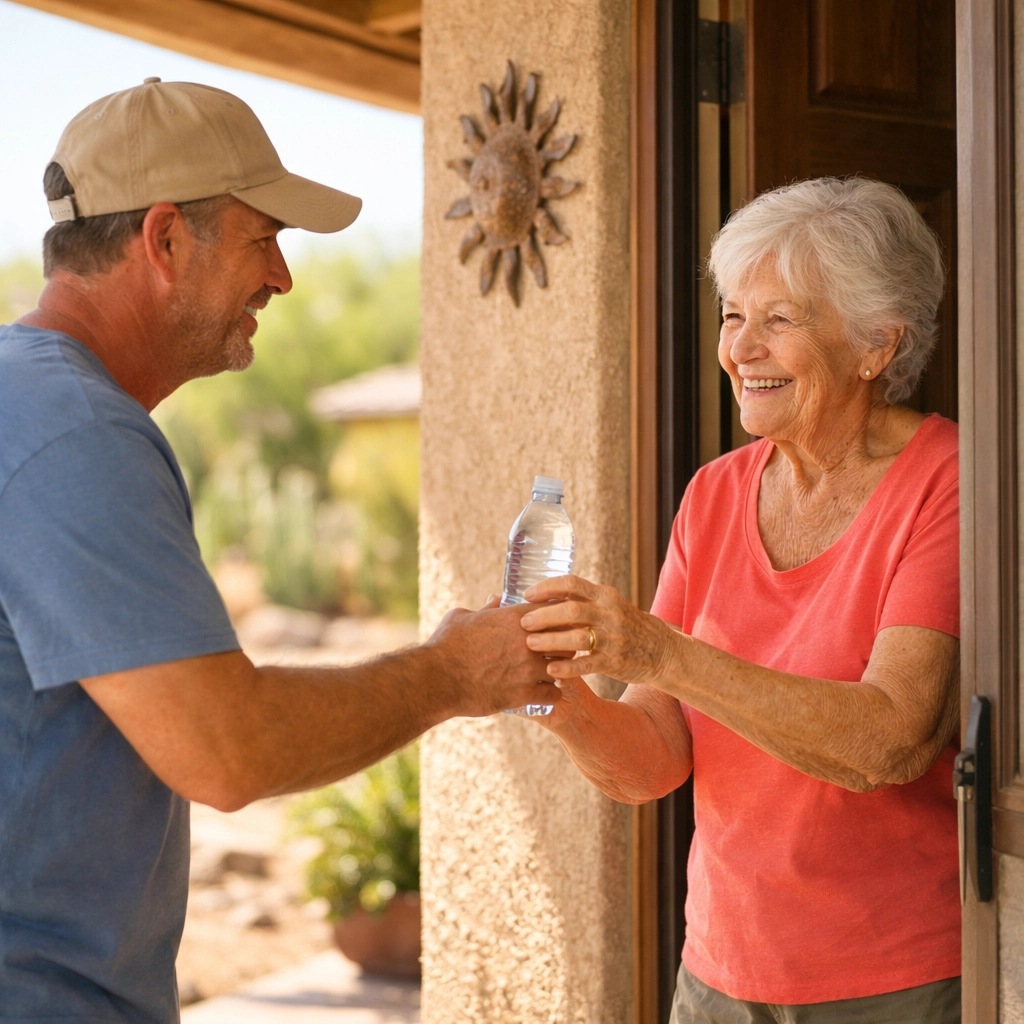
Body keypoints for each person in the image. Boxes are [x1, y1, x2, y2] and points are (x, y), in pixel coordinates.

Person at [0, 79, 559, 1024]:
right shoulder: (72, 434)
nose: (283, 279)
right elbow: (228, 748)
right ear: (166, 239)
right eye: (265, 239)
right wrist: (453, 674)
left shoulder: (29, 406)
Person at [520, 178, 961, 1023]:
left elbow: (890, 738)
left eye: (780, 320)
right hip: (718, 974)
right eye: (732, 315)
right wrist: (549, 693)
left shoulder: (948, 480)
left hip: (891, 980)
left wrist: (660, 652)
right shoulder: (715, 495)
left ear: (876, 346)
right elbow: (655, 756)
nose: (739, 349)